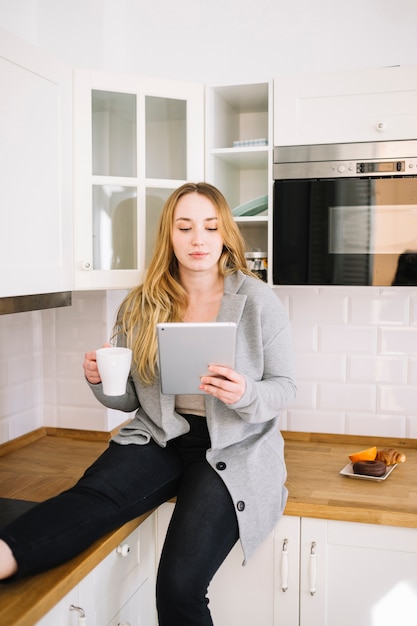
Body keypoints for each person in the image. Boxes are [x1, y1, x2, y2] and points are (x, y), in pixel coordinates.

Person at [0, 182, 296, 625]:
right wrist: (100, 382)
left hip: (232, 448)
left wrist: (246, 393)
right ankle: (5, 554)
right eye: (185, 227)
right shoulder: (141, 303)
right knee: (90, 499)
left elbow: (285, 388)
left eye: (210, 227)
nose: (198, 239)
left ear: (224, 235)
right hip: (160, 434)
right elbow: (130, 399)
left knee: (179, 589)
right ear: (169, 235)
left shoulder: (256, 300)